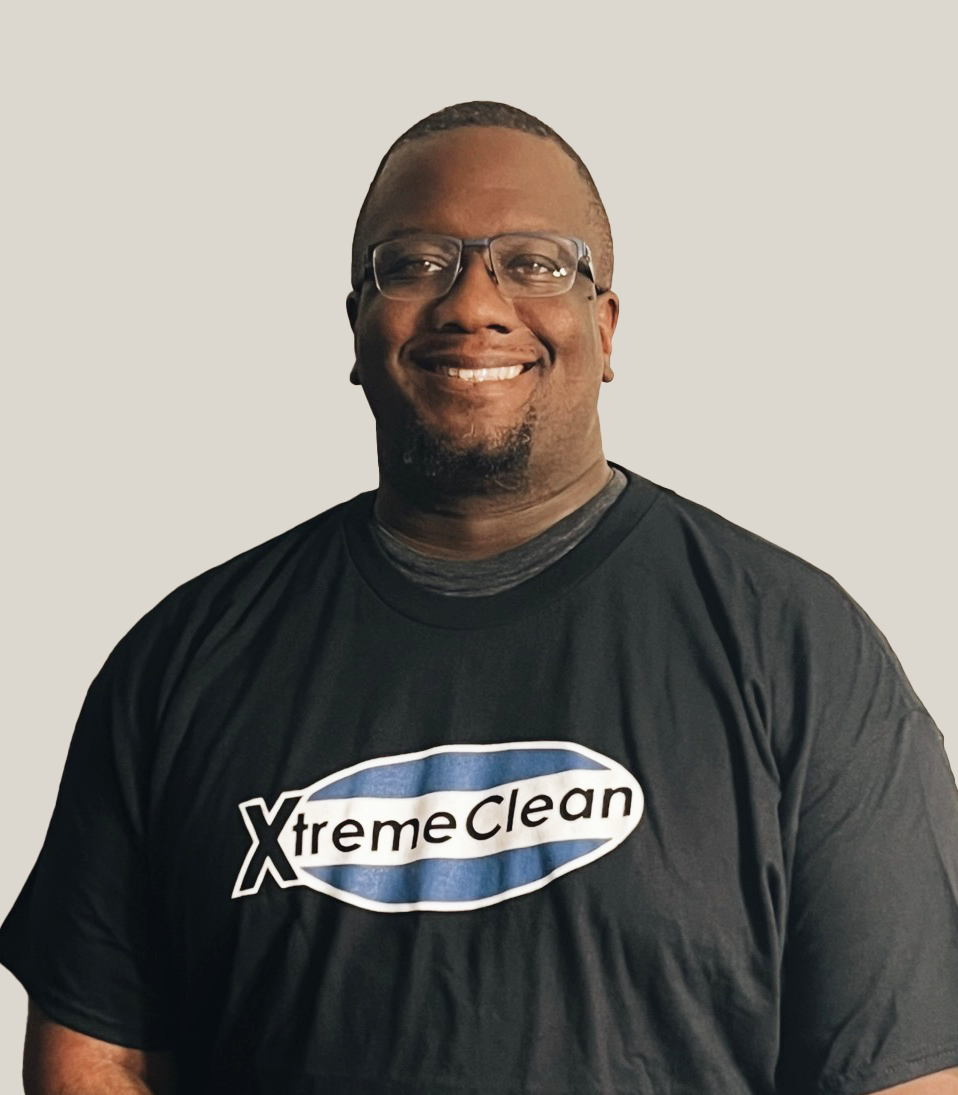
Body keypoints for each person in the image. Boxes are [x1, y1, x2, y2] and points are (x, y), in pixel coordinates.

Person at [1, 101, 957, 1095]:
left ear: (605, 326)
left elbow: (906, 1072)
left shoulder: (797, 649)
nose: (472, 304)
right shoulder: (181, 663)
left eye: (535, 262)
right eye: (415, 262)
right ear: (356, 326)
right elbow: (95, 1056)